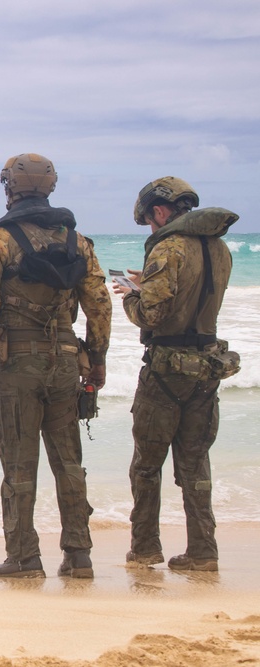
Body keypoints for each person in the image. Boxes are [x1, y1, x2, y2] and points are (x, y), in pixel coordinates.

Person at [0, 153, 112, 579]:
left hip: (17, 367)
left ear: (9, 188)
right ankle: (79, 555)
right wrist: (96, 360)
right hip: (65, 363)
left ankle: (24, 558)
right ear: (51, 186)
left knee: (19, 464)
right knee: (68, 461)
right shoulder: (77, 242)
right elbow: (99, 304)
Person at [113, 177, 238, 572]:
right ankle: (203, 551)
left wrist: (132, 293)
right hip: (207, 368)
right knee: (196, 463)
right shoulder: (220, 248)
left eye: (150, 219)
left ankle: (145, 548)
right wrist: (146, 283)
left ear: (160, 211)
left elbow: (153, 315)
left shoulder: (168, 247)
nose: (152, 227)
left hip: (166, 372)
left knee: (147, 466)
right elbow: (193, 297)